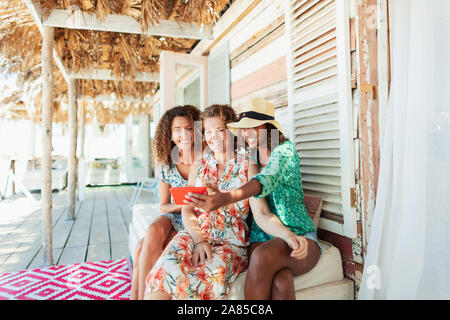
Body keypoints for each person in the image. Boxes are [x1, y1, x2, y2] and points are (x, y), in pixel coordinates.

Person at [185, 98, 321, 300]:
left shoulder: (284, 152)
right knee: (279, 279)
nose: (246, 133)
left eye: (253, 127)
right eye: (243, 128)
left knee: (268, 265)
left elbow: (264, 181)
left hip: (298, 233)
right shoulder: (250, 158)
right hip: (261, 237)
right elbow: (259, 211)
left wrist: (226, 198)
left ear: (268, 127)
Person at [144, 104, 250, 300]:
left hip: (229, 241)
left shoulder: (246, 163)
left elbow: (259, 209)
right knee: (162, 275)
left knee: (196, 285)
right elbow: (187, 209)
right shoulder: (200, 162)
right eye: (208, 131)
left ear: (232, 131)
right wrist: (198, 240)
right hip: (194, 234)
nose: (214, 137)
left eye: (220, 130)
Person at [130, 105, 202, 300]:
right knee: (152, 231)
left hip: (196, 221)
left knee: (139, 250)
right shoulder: (167, 164)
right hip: (175, 215)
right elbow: (164, 205)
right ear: (169, 135)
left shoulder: (206, 159)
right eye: (177, 130)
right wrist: (185, 203)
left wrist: (191, 205)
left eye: (188, 128)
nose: (184, 134)